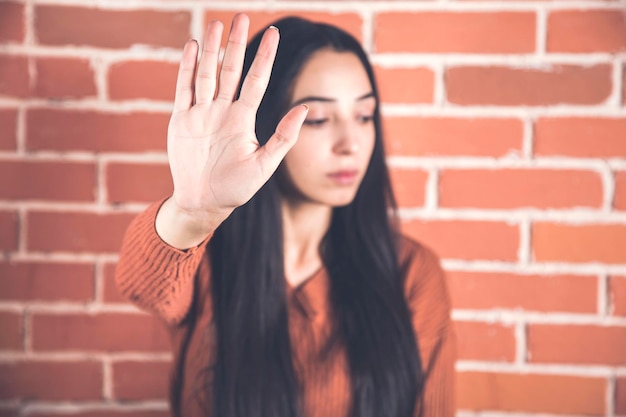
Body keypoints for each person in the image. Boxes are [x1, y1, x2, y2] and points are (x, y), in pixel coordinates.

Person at [115, 13, 455, 417]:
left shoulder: (412, 272)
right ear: (261, 122)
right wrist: (194, 211)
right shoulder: (206, 261)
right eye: (318, 119)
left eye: (364, 116)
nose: (351, 143)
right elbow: (142, 285)